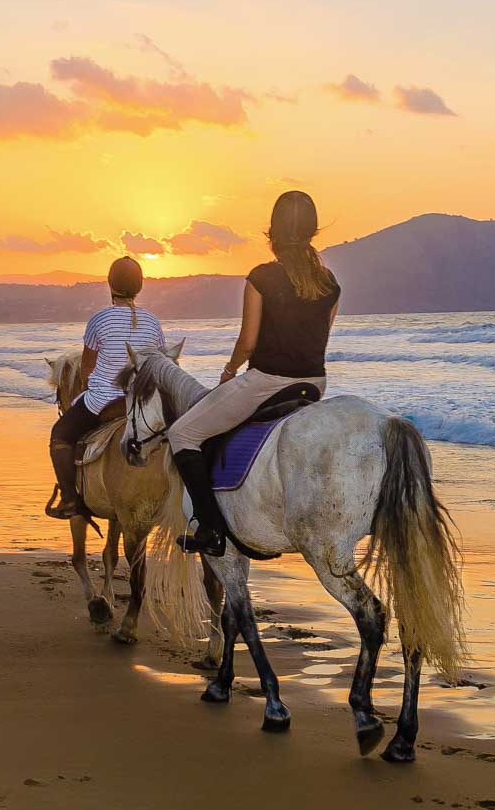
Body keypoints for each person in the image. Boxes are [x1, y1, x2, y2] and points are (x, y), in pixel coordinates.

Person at [168, 190, 341, 556]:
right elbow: (321, 337)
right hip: (313, 384)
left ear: (272, 233)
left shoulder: (261, 278)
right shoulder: (330, 284)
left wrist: (230, 371)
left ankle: (210, 529)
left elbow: (248, 342)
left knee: (182, 432)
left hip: (266, 383)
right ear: (312, 231)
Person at [47, 257, 165, 520]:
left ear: (110, 284)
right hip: (144, 403)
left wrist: (92, 384)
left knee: (60, 435)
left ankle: (68, 499)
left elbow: (88, 370)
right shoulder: (152, 322)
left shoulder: (99, 319)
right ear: (140, 286)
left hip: (104, 401)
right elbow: (159, 363)